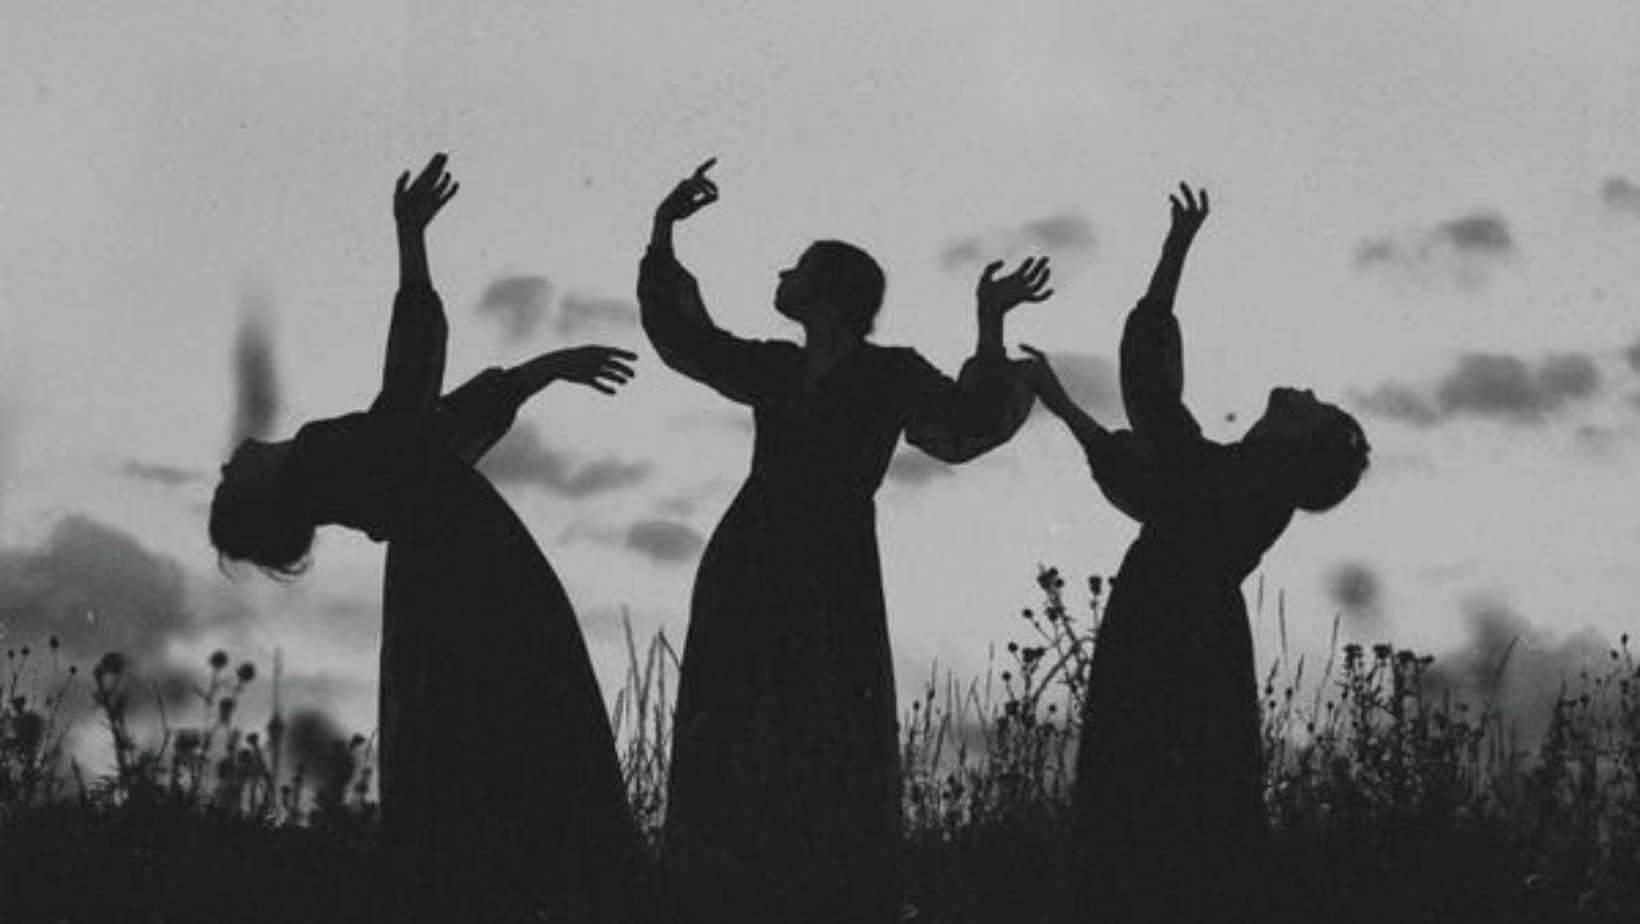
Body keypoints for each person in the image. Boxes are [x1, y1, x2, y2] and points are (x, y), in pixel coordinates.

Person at [210, 154, 645, 923]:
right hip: (473, 570)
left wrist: (546, 368)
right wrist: (410, 240)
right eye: (226, 482)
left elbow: (434, 430)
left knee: (483, 747)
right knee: (513, 734)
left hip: (454, 574)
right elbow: (414, 397)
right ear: (260, 497)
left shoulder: (338, 469)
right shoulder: (326, 460)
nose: (223, 465)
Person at [638, 159, 1049, 924]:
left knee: (823, 725)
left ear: (828, 293)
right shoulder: (775, 367)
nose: (782, 274)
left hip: (831, 570)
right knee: (740, 719)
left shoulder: (891, 374)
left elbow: (969, 422)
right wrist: (662, 232)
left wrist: (990, 323)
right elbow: (688, 338)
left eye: (797, 267)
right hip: (749, 560)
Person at [1022, 183, 1371, 924]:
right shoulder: (1239, 478)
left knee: (1154, 813)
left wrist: (1174, 253)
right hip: (1178, 635)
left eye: (1317, 407)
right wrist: (1063, 402)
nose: (1307, 392)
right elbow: (1149, 459)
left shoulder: (1250, 486)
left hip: (1171, 642)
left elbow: (1151, 422)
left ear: (1302, 443)